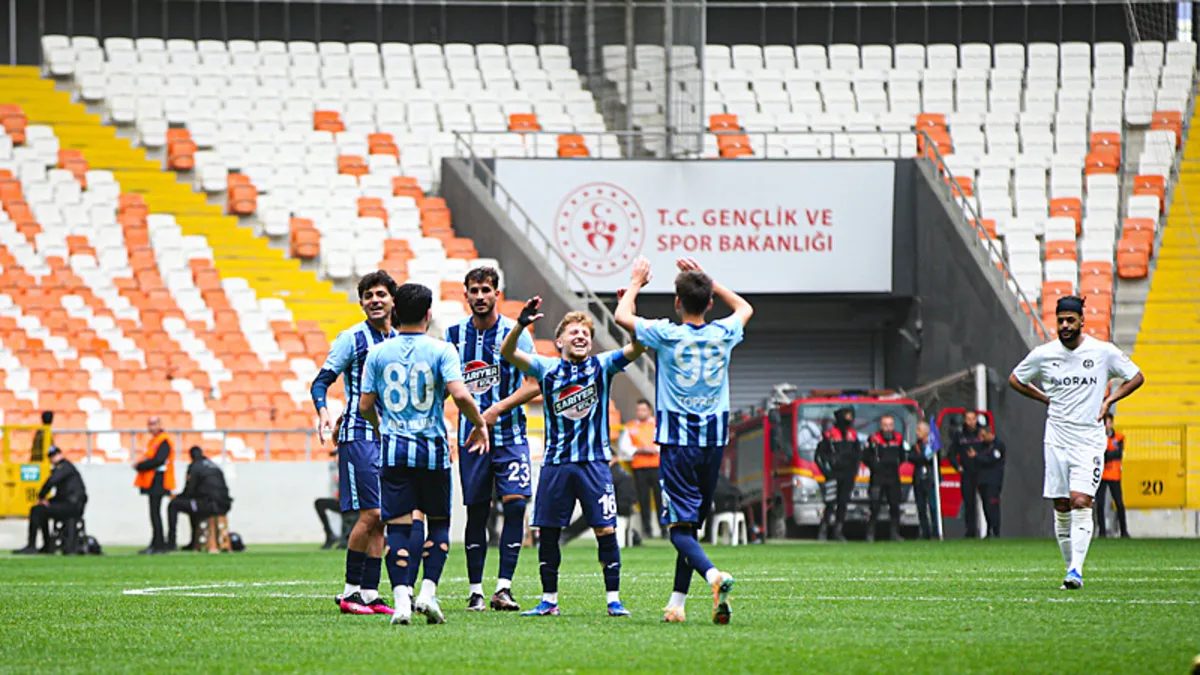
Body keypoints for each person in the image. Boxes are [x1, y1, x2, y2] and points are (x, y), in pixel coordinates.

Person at [615, 255, 750, 625]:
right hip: (713, 443)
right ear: (710, 302)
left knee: (678, 529)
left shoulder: (666, 333)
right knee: (689, 527)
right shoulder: (724, 333)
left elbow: (621, 316)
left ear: (677, 302)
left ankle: (713, 576)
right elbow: (744, 307)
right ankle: (676, 604)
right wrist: (709, 280)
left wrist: (636, 282)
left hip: (677, 444)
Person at [501, 299, 645, 618]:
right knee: (549, 532)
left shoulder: (603, 365)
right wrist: (521, 325)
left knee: (605, 530)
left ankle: (613, 600)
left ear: (591, 343)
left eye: (585, 334)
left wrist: (629, 314)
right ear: (559, 341)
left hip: (594, 464)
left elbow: (638, 347)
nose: (580, 336)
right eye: (574, 332)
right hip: (556, 464)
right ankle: (549, 601)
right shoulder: (546, 368)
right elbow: (508, 353)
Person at [360, 282, 490, 626]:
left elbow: (365, 405)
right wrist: (479, 424)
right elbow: (460, 395)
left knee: (398, 527)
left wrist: (381, 426)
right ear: (428, 314)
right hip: (432, 451)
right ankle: (427, 593)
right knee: (439, 523)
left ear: (395, 312)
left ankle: (401, 601)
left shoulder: (378, 353)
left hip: (394, 452)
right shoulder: (443, 349)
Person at [1009, 295, 1144, 590]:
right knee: (1061, 505)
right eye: (1061, 321)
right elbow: (1016, 379)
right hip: (1056, 439)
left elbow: (1136, 377)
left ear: (1082, 320)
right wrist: (1044, 398)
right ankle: (1071, 568)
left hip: (1088, 440)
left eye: (1071, 320)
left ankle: (1076, 570)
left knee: (1081, 501)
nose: (1065, 325)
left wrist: (1109, 400)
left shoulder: (1102, 352)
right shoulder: (1044, 354)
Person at [444, 266, 542, 612]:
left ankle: (504, 588)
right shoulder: (454, 335)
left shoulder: (516, 333)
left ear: (497, 294)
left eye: (486, 290)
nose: (480, 296)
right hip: (471, 439)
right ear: (466, 295)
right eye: (474, 290)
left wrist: (496, 409)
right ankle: (475, 591)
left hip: (511, 434)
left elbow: (534, 383)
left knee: (515, 504)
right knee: (477, 511)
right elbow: (445, 386)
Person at [310, 270, 399, 615]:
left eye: (381, 294)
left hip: (390, 436)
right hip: (358, 434)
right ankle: (350, 592)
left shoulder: (399, 339)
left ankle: (370, 593)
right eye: (368, 295)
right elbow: (321, 382)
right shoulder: (352, 338)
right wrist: (324, 413)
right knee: (371, 512)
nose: (375, 300)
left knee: (382, 517)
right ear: (361, 302)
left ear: (393, 299)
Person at [13, 447, 87, 555]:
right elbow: (62, 494)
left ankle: (33, 545)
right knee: (41, 510)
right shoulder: (66, 468)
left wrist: (41, 497)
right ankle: (46, 545)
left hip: (71, 506)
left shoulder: (64, 467)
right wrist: (48, 501)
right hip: (70, 504)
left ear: (60, 454)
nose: (53, 458)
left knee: (36, 510)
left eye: (54, 455)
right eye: (51, 456)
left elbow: (51, 482)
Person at [166, 447, 233, 551]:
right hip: (224, 505)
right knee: (193, 506)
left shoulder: (194, 467)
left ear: (191, 456)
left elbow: (190, 490)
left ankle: (172, 542)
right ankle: (194, 542)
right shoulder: (215, 466)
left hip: (209, 505)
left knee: (174, 505)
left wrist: (177, 497)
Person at [815, 407, 862, 543]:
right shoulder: (829, 435)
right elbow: (818, 456)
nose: (849, 419)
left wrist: (854, 471)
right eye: (847, 416)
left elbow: (858, 455)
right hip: (833, 475)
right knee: (830, 503)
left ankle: (838, 532)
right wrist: (827, 473)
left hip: (848, 475)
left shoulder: (853, 435)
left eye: (851, 416)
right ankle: (823, 531)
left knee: (843, 503)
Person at [133, 416, 175, 555]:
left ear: (160, 424)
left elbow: (158, 460)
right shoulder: (154, 441)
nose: (151, 427)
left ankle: (159, 544)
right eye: (150, 424)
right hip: (152, 481)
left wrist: (140, 466)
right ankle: (157, 542)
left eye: (154, 424)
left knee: (155, 513)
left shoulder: (163, 441)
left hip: (159, 481)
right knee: (154, 513)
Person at [864, 415, 907, 542]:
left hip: (893, 477)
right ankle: (870, 534)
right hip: (878, 477)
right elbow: (865, 456)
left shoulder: (898, 438)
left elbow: (902, 456)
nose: (888, 428)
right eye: (885, 425)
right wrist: (874, 465)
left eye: (890, 425)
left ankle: (894, 534)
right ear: (881, 426)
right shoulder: (873, 438)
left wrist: (895, 464)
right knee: (875, 506)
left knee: (894, 506)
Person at [624, 399, 662, 541]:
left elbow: (664, 443)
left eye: (643, 410)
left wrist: (654, 449)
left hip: (657, 465)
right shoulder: (631, 427)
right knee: (643, 499)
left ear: (650, 411)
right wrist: (640, 450)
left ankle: (664, 528)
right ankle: (647, 529)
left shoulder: (658, 425)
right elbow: (625, 446)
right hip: (639, 467)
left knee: (660, 498)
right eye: (638, 410)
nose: (640, 413)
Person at [948, 410, 986, 538]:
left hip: (982, 472)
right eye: (968, 419)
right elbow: (951, 454)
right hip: (967, 473)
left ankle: (991, 530)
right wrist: (957, 467)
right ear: (965, 420)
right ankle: (971, 531)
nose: (971, 422)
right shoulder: (960, 435)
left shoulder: (982, 433)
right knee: (969, 503)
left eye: (973, 419)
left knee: (987, 501)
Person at [1097, 413, 1130, 538]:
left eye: (1109, 422)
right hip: (1101, 474)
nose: (1107, 425)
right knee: (1100, 504)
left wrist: (1106, 454)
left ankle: (1124, 531)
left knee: (1119, 503)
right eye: (1105, 423)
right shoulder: (1098, 437)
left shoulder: (1119, 437)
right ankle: (1102, 532)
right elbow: (1101, 454)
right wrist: (1109, 454)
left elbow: (1117, 454)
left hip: (1114, 474)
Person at [908, 421, 939, 540]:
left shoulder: (933, 446)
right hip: (918, 480)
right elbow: (911, 457)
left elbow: (932, 459)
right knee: (921, 507)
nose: (917, 433)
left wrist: (923, 457)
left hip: (930, 480)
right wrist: (923, 457)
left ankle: (936, 531)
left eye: (919, 430)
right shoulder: (915, 446)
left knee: (933, 507)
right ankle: (925, 532)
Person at [975, 425, 1006, 538]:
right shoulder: (981, 446)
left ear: (990, 434)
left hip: (993, 481)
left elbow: (991, 459)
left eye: (984, 436)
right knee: (985, 506)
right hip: (982, 481)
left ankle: (996, 531)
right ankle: (989, 529)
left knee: (992, 505)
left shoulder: (998, 445)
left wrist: (977, 456)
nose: (982, 438)